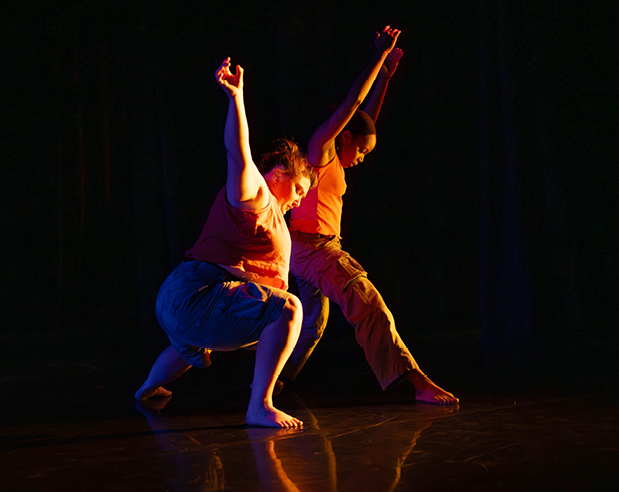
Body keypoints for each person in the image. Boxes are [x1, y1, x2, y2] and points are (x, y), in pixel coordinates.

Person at [135, 57, 318, 428]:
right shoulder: (256, 196)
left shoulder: (275, 220)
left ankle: (147, 388)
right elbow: (238, 153)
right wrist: (236, 97)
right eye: (299, 189)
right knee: (288, 310)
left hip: (181, 304)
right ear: (279, 172)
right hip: (195, 293)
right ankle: (259, 405)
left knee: (188, 348)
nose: (299, 199)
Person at [283, 27, 459, 404]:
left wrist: (385, 79)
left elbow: (364, 119)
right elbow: (351, 107)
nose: (363, 157)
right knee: (370, 305)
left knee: (313, 323)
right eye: (361, 149)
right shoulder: (320, 152)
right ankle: (418, 383)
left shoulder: (337, 162)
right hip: (314, 250)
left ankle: (274, 382)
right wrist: (378, 56)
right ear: (344, 137)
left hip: (305, 251)